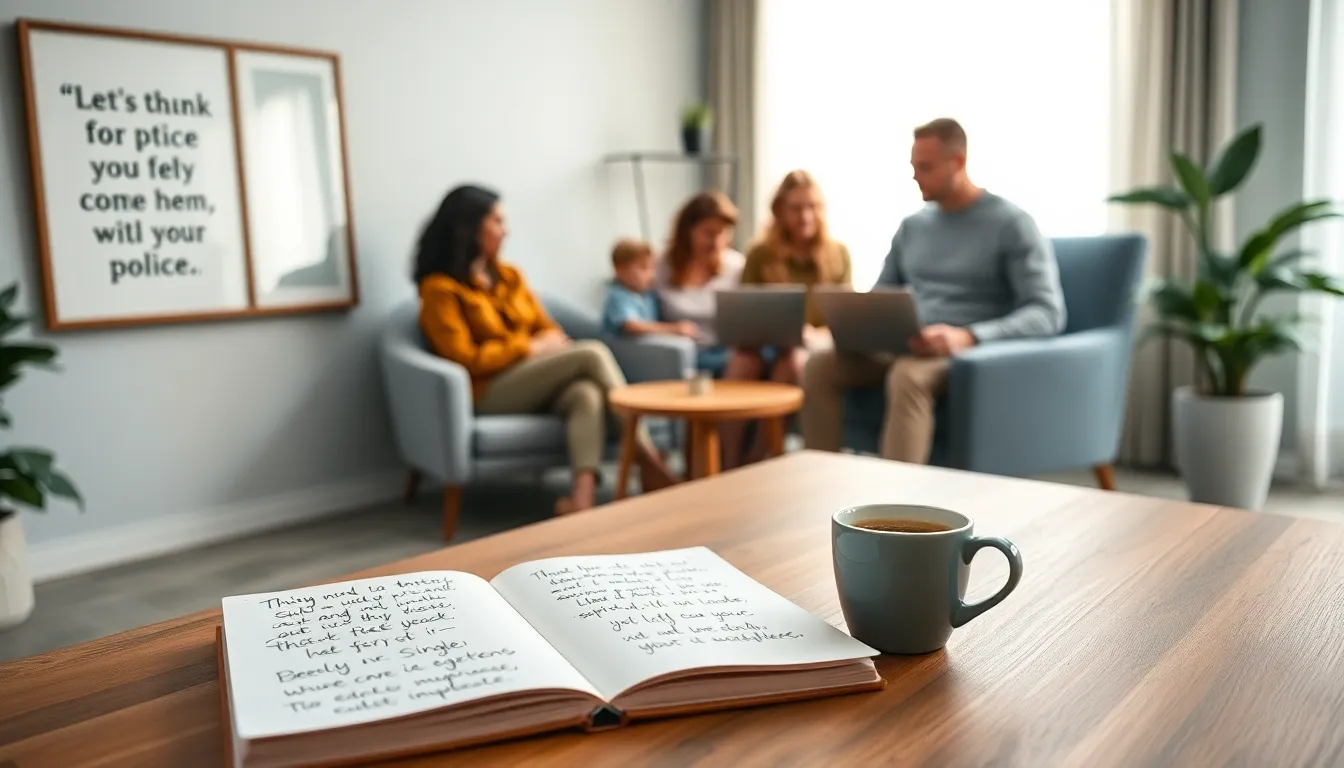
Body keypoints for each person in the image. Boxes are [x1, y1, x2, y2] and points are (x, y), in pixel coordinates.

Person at [801, 118, 1067, 464]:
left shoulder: (1011, 224)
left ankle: (895, 512)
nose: (915, 176)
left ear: (958, 162)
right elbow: (883, 293)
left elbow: (1047, 312)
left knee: (908, 376)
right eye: (913, 167)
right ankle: (816, 479)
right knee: (820, 365)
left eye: (925, 167)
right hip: (904, 342)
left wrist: (967, 337)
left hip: (959, 352)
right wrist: (857, 324)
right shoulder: (913, 227)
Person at [414, 184, 675, 513]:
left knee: (585, 394)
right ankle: (647, 458)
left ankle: (582, 499)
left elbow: (549, 329)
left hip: (532, 380)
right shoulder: (439, 289)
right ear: (469, 226)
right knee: (591, 353)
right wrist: (529, 348)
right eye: (497, 221)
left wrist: (541, 347)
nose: (505, 230)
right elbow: (464, 358)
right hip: (486, 390)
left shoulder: (510, 276)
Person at [719, 170, 854, 468]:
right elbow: (743, 312)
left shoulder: (838, 254)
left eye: (813, 207)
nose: (805, 216)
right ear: (780, 210)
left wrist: (812, 334)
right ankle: (727, 463)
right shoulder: (760, 254)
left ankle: (758, 458)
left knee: (791, 362)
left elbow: (845, 319)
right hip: (762, 343)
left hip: (811, 346)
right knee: (742, 361)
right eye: (796, 208)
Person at [652, 190, 746, 375]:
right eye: (709, 233)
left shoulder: (737, 266)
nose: (717, 242)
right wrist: (671, 330)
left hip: (729, 352)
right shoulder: (660, 266)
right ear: (688, 231)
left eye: (723, 233)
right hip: (682, 353)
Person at [601, 238, 698, 339]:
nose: (651, 275)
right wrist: (674, 329)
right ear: (620, 270)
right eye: (644, 268)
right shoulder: (618, 296)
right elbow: (632, 326)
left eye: (652, 268)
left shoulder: (648, 295)